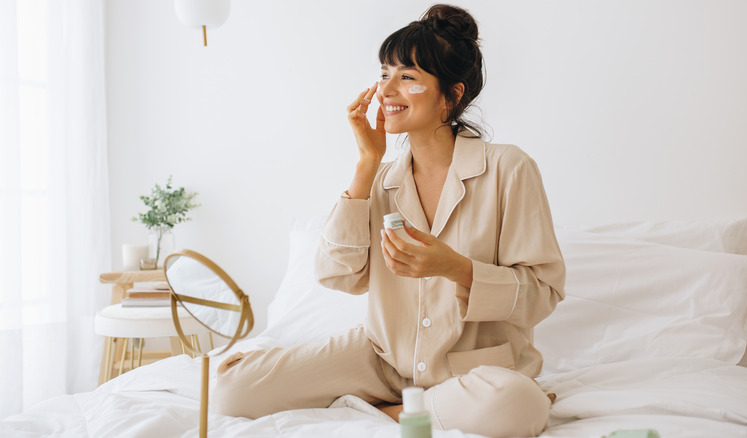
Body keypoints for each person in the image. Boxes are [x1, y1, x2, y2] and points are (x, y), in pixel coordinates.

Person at [214, 4, 565, 437]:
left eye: (408, 77)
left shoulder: (508, 168)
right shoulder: (382, 179)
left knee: (518, 404)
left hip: (470, 371)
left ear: (451, 96)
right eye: (384, 74)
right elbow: (337, 275)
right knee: (232, 387)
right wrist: (366, 163)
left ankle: (396, 412)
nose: (386, 90)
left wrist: (454, 268)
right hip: (383, 359)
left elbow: (542, 295)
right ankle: (413, 406)